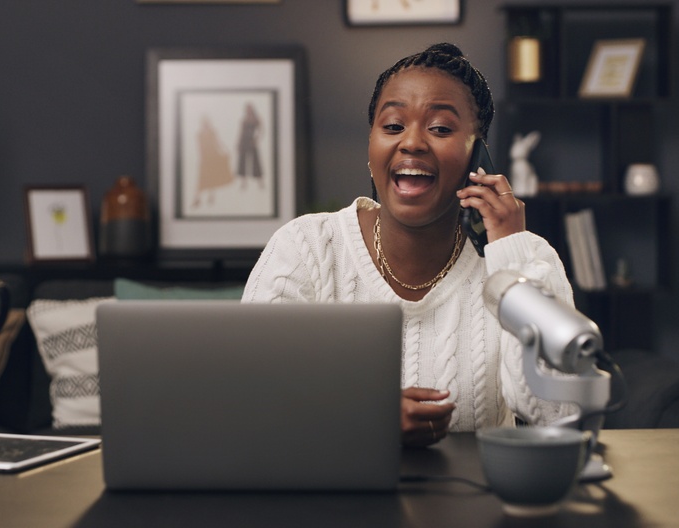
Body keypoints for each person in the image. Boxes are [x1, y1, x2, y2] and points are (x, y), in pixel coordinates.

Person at [241, 43, 575, 447]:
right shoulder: (307, 248)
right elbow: (248, 401)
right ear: (371, 148)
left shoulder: (522, 261)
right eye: (394, 126)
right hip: (332, 505)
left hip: (475, 507)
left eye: (440, 129)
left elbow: (561, 417)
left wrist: (512, 253)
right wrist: (366, 416)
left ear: (477, 157)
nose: (412, 142)